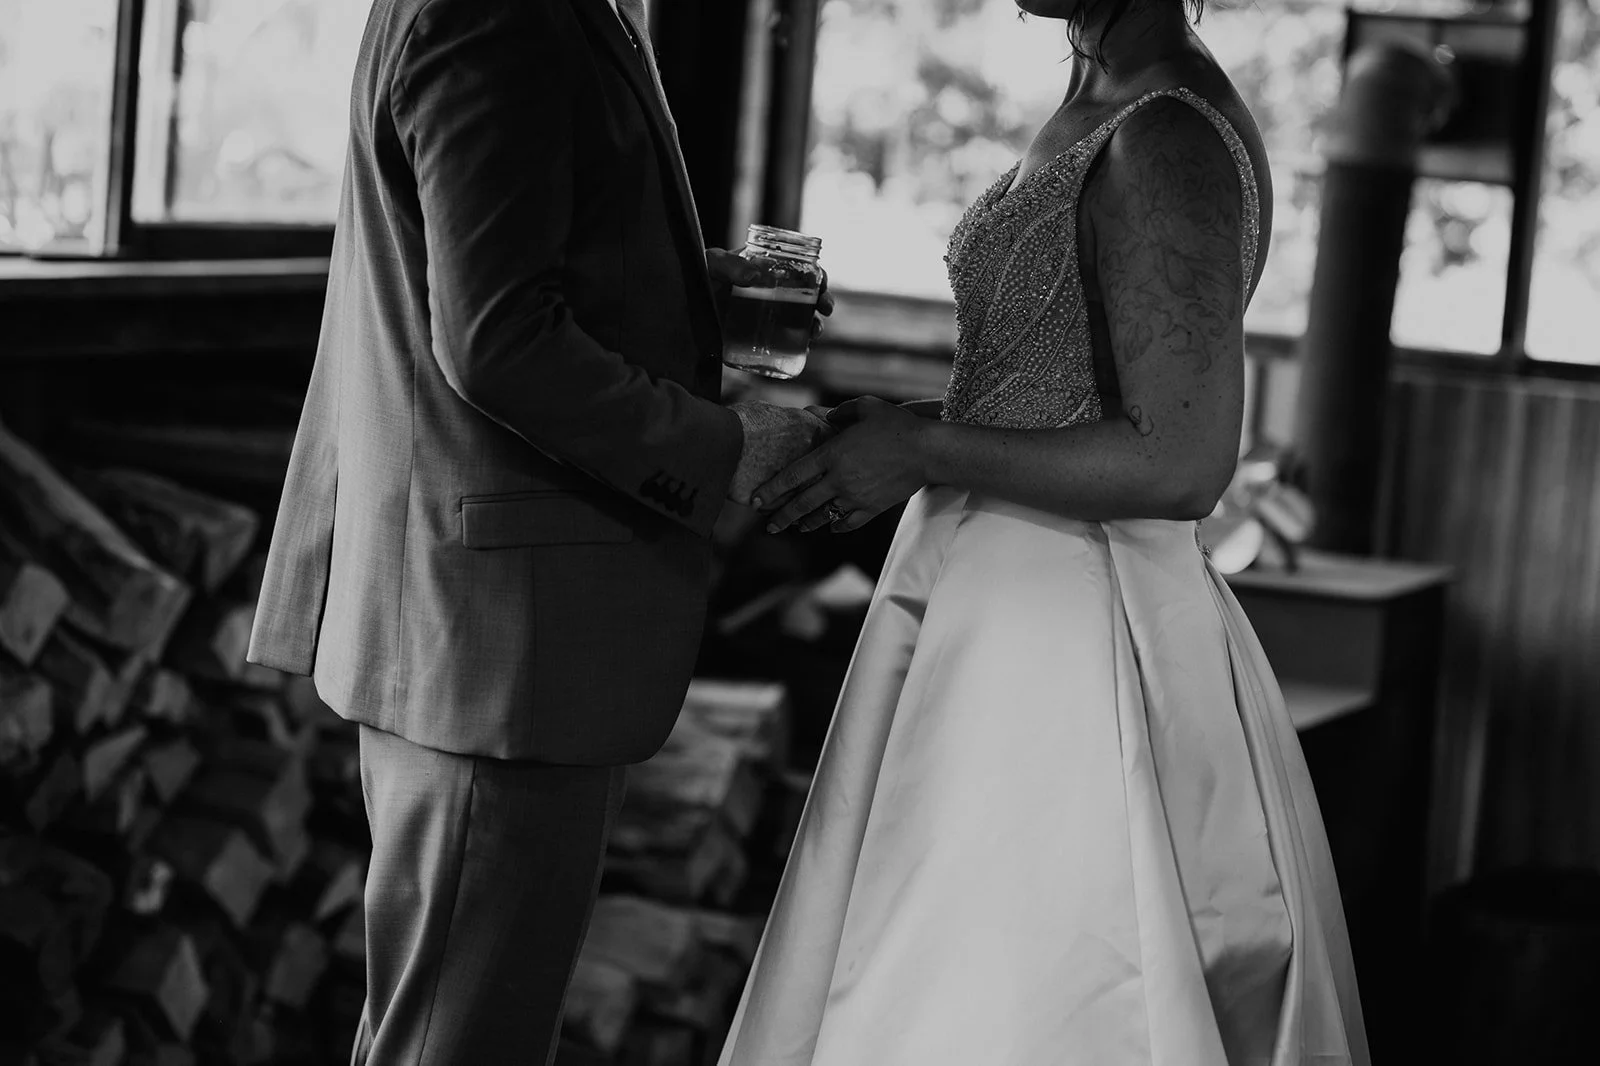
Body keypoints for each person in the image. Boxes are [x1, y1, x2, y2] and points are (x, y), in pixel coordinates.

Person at [717, 1, 1370, 1063]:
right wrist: (891, 431)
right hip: (983, 588)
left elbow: (1181, 460)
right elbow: (1055, 389)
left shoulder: (1168, 134)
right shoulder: (1099, 91)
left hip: (1071, 627)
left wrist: (925, 450)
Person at [245, 1, 830, 1063]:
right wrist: (724, 448)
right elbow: (499, 340)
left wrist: (693, 288)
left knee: (440, 1031)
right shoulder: (498, 14)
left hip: (483, 614)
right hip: (494, 630)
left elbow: (511, 250)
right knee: (460, 1042)